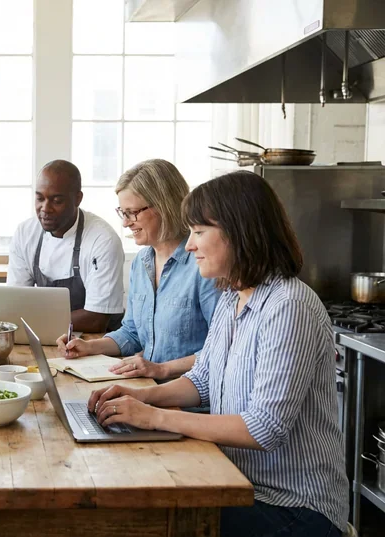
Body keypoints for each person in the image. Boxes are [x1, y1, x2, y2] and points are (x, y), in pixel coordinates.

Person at [87, 170, 348, 537]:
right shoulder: (232, 296)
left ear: (239, 232)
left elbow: (263, 428)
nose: (190, 245)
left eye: (198, 231)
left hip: (292, 507)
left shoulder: (289, 306)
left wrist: (154, 417)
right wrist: (139, 397)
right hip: (238, 482)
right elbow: (203, 380)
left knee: (138, 522)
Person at [58, 160, 220, 380]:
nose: (126, 223)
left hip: (189, 401)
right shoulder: (141, 262)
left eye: (132, 212)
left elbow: (221, 349)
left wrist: (163, 369)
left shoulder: (203, 266)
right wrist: (89, 347)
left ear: (165, 206)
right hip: (149, 387)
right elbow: (132, 333)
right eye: (122, 213)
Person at [8, 160, 125, 333]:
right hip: (46, 334)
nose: (45, 209)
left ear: (78, 199)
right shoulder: (25, 232)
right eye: (40, 198)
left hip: (98, 342)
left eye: (56, 200)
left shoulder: (102, 239)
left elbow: (97, 318)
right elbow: (15, 301)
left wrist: (34, 320)